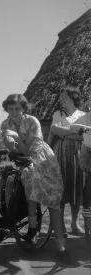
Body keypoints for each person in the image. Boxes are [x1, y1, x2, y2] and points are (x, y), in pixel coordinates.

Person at [1, 94, 74, 265]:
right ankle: (33, 227)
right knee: (27, 182)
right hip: (25, 162)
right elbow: (13, 150)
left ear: (23, 108)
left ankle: (61, 247)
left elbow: (29, 150)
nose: (14, 112)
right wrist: (8, 140)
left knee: (53, 202)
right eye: (10, 109)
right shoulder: (5, 124)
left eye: (17, 108)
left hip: (43, 159)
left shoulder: (32, 121)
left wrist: (17, 138)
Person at [48, 86, 85, 236]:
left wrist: (67, 131)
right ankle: (61, 225)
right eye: (61, 96)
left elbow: (86, 135)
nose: (61, 99)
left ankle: (74, 223)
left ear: (73, 98)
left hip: (80, 155)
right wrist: (75, 131)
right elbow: (55, 130)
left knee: (77, 188)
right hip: (61, 155)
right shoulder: (58, 114)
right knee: (61, 188)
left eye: (65, 96)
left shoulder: (84, 114)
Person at [69, 112, 91, 244]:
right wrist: (85, 127)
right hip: (88, 154)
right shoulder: (86, 117)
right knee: (88, 191)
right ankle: (88, 231)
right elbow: (72, 127)